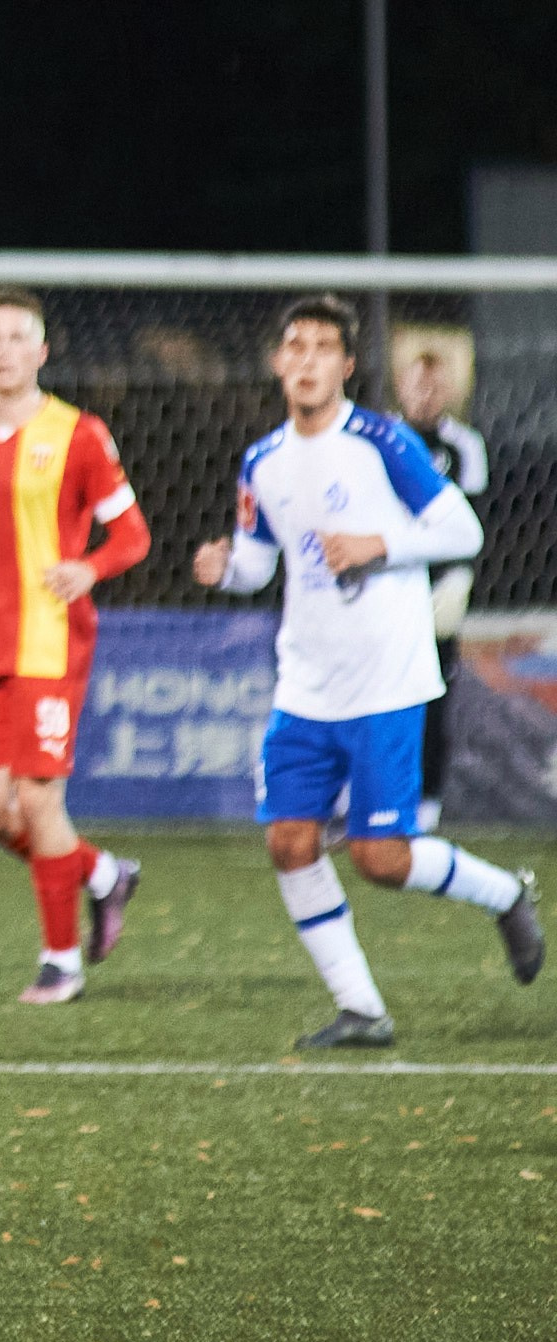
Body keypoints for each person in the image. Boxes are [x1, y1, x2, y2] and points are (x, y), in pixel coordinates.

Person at [193, 295, 543, 1049]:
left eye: (325, 347)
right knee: (289, 841)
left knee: (381, 857)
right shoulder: (264, 460)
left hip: (385, 679)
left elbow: (461, 527)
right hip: (305, 684)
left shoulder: (382, 441)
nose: (309, 358)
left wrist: (377, 543)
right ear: (280, 362)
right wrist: (224, 567)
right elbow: (258, 564)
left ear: (347, 366)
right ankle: (361, 1007)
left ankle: (505, 893)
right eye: (297, 345)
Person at [0, 289, 148, 1004]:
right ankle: (101, 873)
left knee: (38, 796)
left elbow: (132, 536)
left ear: (41, 352)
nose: (5, 348)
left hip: (50, 643)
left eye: (19, 336)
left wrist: (89, 568)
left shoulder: (78, 434)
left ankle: (60, 960)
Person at [394, 349, 489, 834]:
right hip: (389, 581)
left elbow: (473, 520)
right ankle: (368, 796)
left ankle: (426, 805)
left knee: (433, 693)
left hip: (437, 588)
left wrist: (459, 580)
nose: (426, 394)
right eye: (418, 383)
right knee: (378, 691)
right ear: (401, 385)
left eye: (435, 385)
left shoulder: (465, 446)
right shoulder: (384, 436)